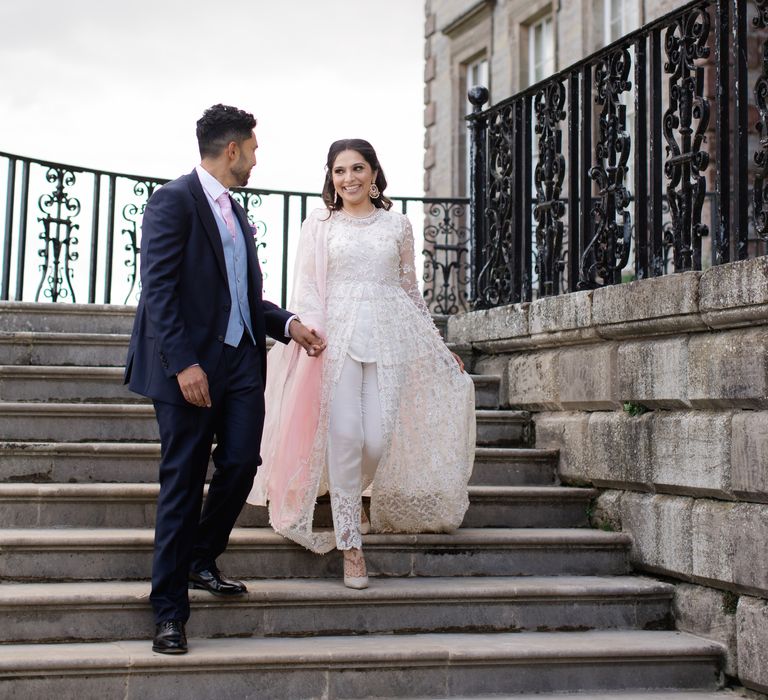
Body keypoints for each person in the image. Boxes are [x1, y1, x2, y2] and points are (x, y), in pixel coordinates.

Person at [124, 104, 325, 654]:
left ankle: (200, 556)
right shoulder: (173, 201)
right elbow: (159, 290)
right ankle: (168, 610)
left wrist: (288, 323)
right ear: (232, 149)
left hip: (240, 364)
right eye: (254, 149)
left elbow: (241, 298)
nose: (257, 160)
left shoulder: (236, 214)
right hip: (187, 368)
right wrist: (183, 363)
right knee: (184, 483)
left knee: (241, 463)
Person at [248, 139, 475, 589]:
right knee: (347, 435)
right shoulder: (320, 225)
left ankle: (354, 496)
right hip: (337, 339)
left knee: (376, 438)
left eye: (357, 169)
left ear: (373, 174)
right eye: (339, 171)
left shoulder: (398, 225)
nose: (348, 178)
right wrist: (310, 332)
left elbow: (411, 290)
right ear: (331, 178)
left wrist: (437, 344)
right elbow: (308, 287)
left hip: (391, 338)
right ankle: (351, 544)